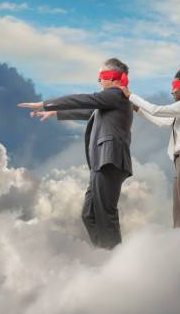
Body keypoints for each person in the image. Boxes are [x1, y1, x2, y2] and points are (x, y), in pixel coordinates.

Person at [18, 58, 132, 249]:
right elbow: (90, 112)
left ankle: (116, 259)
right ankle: (104, 254)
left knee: (105, 214)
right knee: (89, 214)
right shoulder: (112, 101)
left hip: (108, 161)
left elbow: (85, 99)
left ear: (113, 79)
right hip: (101, 162)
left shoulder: (116, 95)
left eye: (101, 78)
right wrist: (55, 113)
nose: (99, 82)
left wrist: (45, 104)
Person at [122, 64, 180, 228]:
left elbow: (156, 110)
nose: (172, 92)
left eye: (175, 88)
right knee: (179, 219)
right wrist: (136, 108)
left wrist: (131, 96)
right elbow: (161, 122)